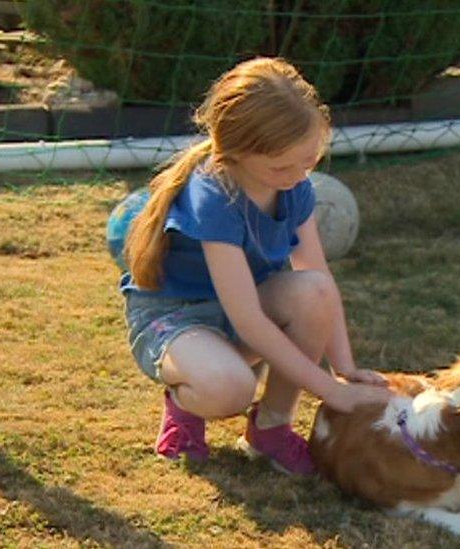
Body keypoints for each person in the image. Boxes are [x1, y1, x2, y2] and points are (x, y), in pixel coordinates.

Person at [121, 57, 392, 475]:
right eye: (281, 166)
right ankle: (184, 405)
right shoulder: (215, 195)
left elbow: (318, 278)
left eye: (309, 162)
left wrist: (346, 369)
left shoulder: (294, 186)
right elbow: (247, 321)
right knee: (229, 388)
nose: (298, 175)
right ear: (237, 152)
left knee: (314, 290)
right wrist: (332, 394)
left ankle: (270, 429)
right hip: (179, 319)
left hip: (247, 310)